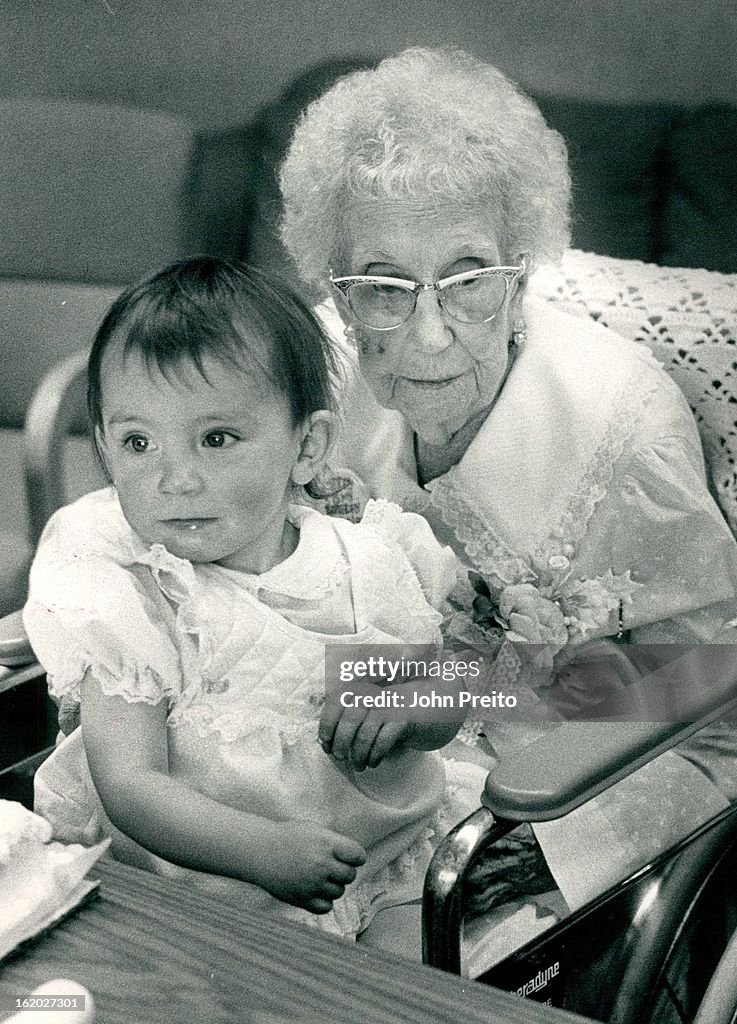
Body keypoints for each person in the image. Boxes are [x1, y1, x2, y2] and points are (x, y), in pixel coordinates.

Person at [278, 46, 737, 917]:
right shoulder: (319, 382)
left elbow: (710, 694)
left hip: (544, 806)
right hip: (343, 780)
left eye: (468, 281)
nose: (431, 335)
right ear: (333, 289)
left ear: (522, 268)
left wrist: (470, 694)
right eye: (380, 286)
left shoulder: (622, 434)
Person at [24, 257, 487, 954]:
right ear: (104, 452)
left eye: (216, 438)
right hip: (206, 879)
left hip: (385, 854)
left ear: (307, 448)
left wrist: (415, 706)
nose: (173, 478)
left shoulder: (366, 557)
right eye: (137, 442)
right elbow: (131, 782)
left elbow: (447, 709)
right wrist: (262, 850)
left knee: (410, 981)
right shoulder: (130, 591)